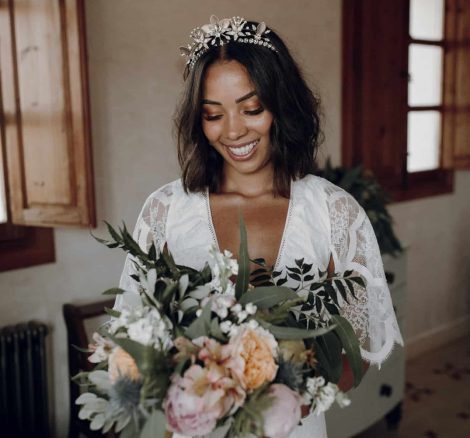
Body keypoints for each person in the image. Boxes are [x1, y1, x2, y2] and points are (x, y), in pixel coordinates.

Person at [116, 15, 404, 437]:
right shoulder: (164, 212)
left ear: (281, 103)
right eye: (213, 115)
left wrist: (288, 403)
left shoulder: (334, 213)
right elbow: (132, 340)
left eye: (252, 109)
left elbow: (354, 353)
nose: (234, 131)